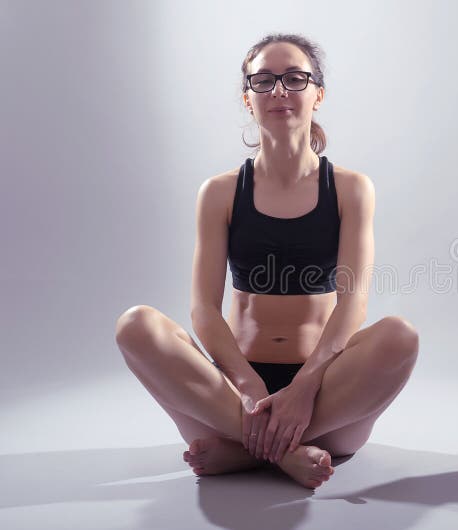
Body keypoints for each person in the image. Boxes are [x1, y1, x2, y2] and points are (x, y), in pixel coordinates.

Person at [114, 33, 418, 489]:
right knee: (135, 325)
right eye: (264, 80)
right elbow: (203, 310)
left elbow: (352, 306)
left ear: (318, 94)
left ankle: (245, 452)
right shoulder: (219, 193)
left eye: (295, 78)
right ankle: (283, 452)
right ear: (247, 97)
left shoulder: (352, 189)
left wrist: (304, 387)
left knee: (400, 336)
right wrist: (249, 385)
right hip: (236, 394)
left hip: (325, 396)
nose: (279, 90)